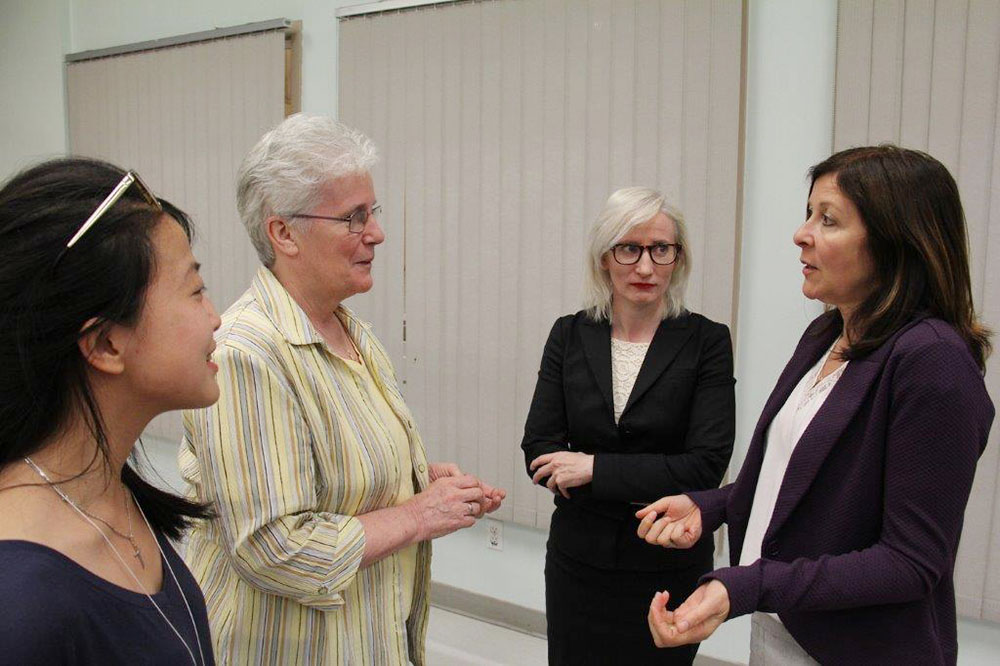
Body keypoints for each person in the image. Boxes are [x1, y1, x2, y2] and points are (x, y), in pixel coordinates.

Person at [639, 145, 994, 665]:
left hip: (861, 648)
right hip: (788, 626)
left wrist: (748, 584)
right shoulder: (828, 331)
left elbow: (911, 561)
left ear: (896, 242)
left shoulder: (933, 362)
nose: (801, 234)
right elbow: (806, 481)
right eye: (809, 214)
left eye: (828, 220)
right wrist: (711, 505)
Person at [179, 113, 505, 666]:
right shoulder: (247, 353)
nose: (375, 233)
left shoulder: (349, 330)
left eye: (372, 212)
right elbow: (273, 546)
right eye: (353, 218)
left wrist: (415, 480)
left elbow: (331, 474)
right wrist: (419, 514)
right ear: (283, 233)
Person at [0, 158, 221, 665]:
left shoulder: (113, 494)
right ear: (105, 343)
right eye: (195, 291)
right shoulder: (20, 605)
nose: (215, 317)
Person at [521, 187, 735, 664]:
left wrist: (593, 469)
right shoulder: (569, 334)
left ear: (678, 259)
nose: (645, 267)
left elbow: (705, 466)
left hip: (667, 568)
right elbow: (539, 448)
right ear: (604, 257)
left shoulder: (706, 342)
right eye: (629, 248)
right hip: (578, 567)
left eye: (661, 249)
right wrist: (650, 473)